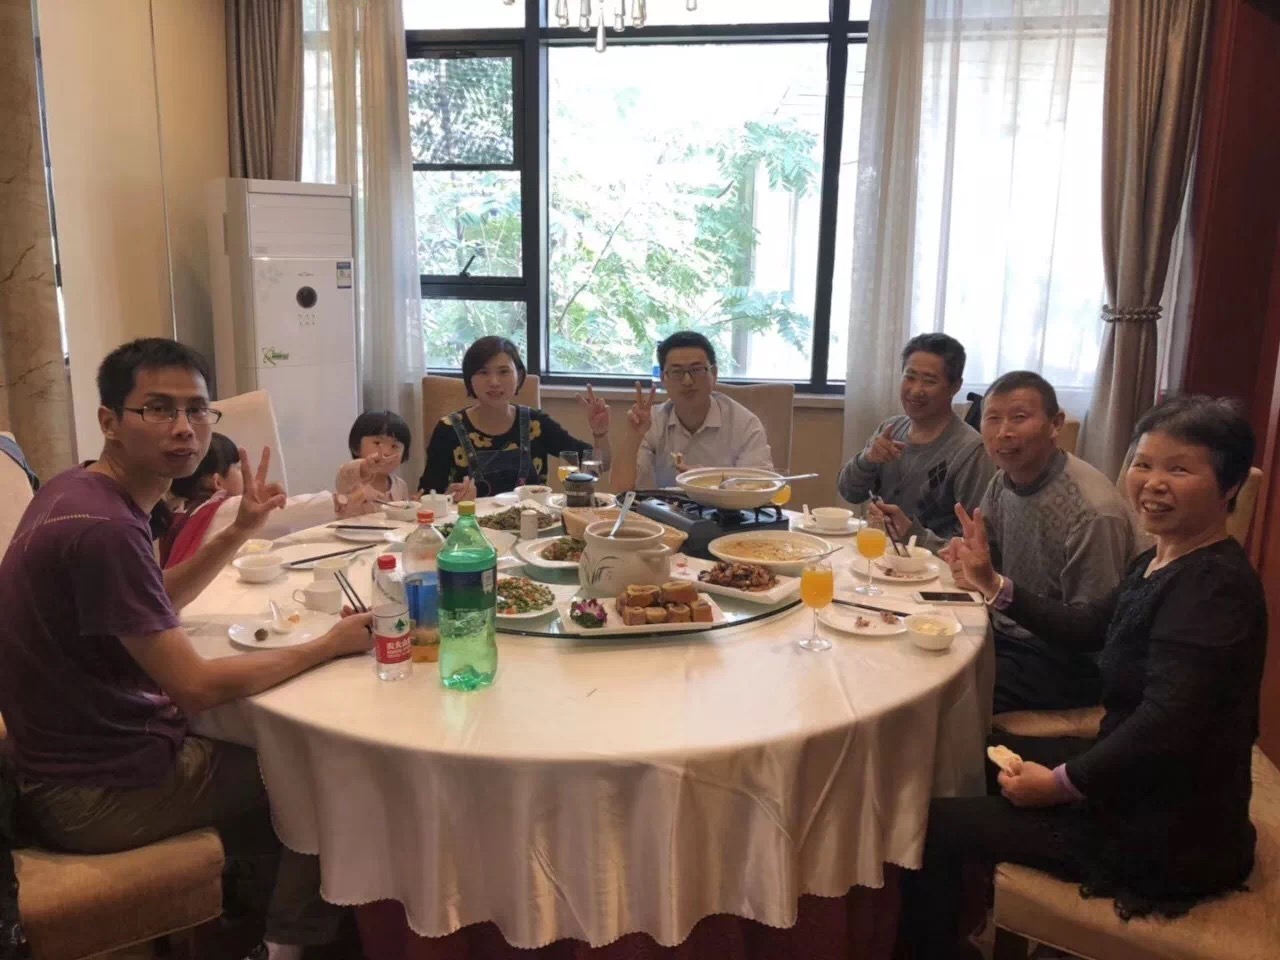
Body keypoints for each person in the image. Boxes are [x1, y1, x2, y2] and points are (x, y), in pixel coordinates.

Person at [0, 338, 374, 960]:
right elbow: (195, 687)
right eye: (158, 409)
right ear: (109, 421)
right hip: (93, 793)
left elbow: (154, 601)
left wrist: (241, 529)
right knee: (329, 770)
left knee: (277, 743)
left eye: (197, 410)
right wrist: (328, 644)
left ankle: (253, 899)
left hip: (61, 758)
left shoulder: (78, 490)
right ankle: (285, 945)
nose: (184, 428)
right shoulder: (106, 531)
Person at [900, 395, 1266, 957]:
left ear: (1230, 484)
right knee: (966, 749)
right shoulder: (1163, 559)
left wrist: (1061, 783)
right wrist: (992, 582)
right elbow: (1087, 627)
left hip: (1167, 827)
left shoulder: (1214, 590)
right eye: (1143, 464)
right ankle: (964, 915)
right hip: (1139, 773)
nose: (1153, 483)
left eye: (1179, 469)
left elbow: (1168, 723)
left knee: (933, 824)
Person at [880, 371, 1137, 713]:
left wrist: (995, 588)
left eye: (1019, 417)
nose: (1003, 432)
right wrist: (917, 533)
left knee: (930, 693)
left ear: (1055, 424)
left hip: (1062, 662)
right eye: (993, 419)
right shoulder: (1004, 481)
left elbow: (1090, 630)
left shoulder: (1092, 512)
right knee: (898, 649)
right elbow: (982, 557)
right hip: (1004, 630)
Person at [838, 333, 993, 540]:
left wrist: (913, 534)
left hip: (933, 560)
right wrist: (867, 459)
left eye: (929, 381)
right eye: (909, 377)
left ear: (955, 386)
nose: (916, 390)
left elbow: (976, 541)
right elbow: (849, 492)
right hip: (880, 551)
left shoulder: (971, 451)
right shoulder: (891, 429)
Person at [417, 336, 611, 499]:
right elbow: (427, 495)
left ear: (518, 376)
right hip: (471, 527)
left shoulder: (536, 424)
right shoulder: (449, 429)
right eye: (483, 372)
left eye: (503, 372)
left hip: (533, 525)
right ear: (469, 379)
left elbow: (599, 466)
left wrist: (600, 433)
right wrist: (449, 497)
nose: (494, 382)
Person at [611, 331, 773, 491]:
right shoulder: (652, 421)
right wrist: (634, 435)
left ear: (714, 374)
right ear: (663, 379)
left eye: (696, 370)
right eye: (676, 372)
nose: (687, 381)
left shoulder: (744, 424)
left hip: (728, 509)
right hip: (667, 508)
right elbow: (620, 488)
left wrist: (709, 480)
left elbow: (761, 487)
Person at [160, 433, 341, 567]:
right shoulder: (225, 508)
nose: (243, 472)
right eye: (237, 468)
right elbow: (298, 510)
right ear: (218, 482)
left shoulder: (176, 511)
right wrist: (340, 502)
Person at [334, 410, 412, 517]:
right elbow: (347, 471)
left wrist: (411, 508)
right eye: (377, 443)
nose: (386, 452)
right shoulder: (349, 478)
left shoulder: (400, 485)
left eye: (394, 446)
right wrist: (365, 466)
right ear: (356, 446)